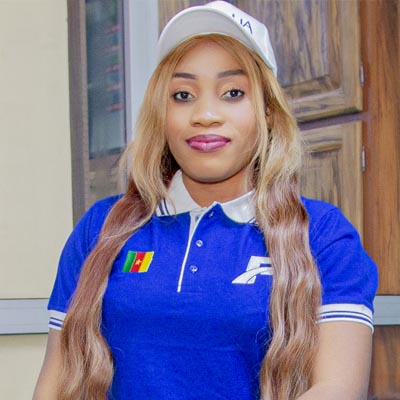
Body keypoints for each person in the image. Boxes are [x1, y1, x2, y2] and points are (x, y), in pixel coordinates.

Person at [33, 1, 378, 399]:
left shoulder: (324, 235)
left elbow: (336, 388)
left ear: (267, 112)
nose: (206, 114)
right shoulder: (101, 228)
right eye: (183, 94)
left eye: (233, 93)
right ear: (161, 114)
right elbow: (55, 385)